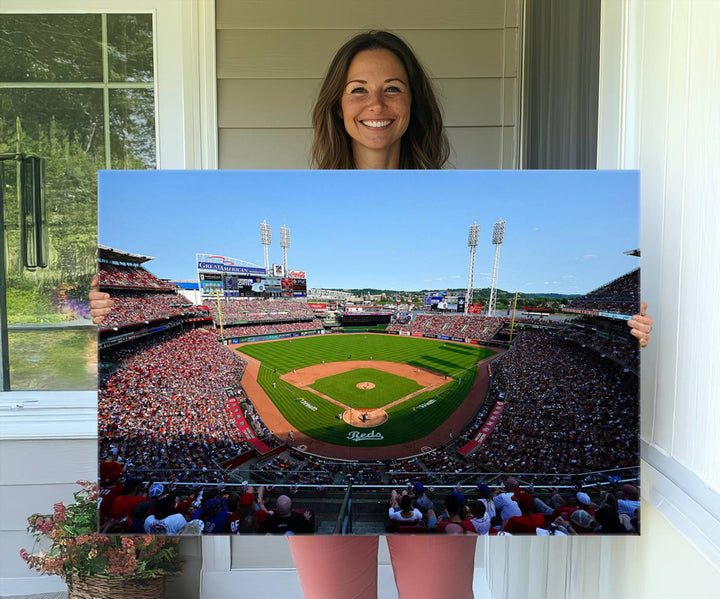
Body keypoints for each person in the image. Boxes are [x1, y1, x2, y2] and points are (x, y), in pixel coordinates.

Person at [89, 29, 653, 599]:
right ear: (337, 104)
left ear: (414, 104)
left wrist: (640, 329)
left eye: (393, 89)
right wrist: (102, 310)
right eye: (358, 89)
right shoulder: (295, 183)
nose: (376, 105)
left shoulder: (459, 185)